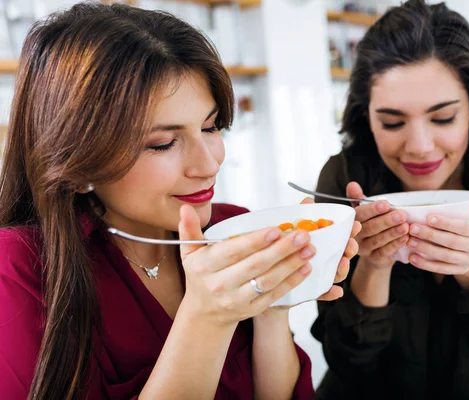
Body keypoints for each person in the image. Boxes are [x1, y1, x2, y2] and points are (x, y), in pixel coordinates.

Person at [0, 3, 359, 399]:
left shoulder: (232, 229)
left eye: (211, 127)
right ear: (79, 161)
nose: (208, 164)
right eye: (162, 144)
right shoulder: (20, 270)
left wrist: (274, 304)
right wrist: (207, 317)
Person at [310, 1, 469, 399]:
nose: (419, 147)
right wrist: (374, 266)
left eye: (443, 118)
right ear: (367, 116)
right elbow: (345, 362)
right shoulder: (344, 179)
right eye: (392, 122)